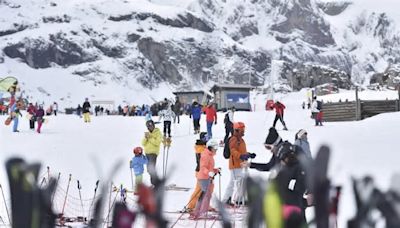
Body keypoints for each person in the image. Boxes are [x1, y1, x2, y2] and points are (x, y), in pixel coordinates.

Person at [273, 141, 309, 227]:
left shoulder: (297, 168)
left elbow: (299, 189)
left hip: (294, 209)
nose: (281, 162)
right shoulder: (287, 168)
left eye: (282, 159)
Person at [191, 139, 220, 218]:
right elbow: (203, 167)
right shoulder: (205, 155)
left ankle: (199, 211)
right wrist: (209, 172)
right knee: (206, 195)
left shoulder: (209, 155)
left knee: (205, 195)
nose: (216, 150)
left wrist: (215, 170)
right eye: (215, 148)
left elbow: (209, 167)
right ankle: (201, 212)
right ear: (210, 147)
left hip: (207, 177)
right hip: (203, 178)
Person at [222, 122, 248, 206]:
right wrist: (241, 156)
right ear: (237, 130)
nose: (243, 131)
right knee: (233, 182)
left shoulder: (241, 139)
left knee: (240, 182)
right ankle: (226, 199)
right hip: (235, 165)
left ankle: (239, 199)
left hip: (241, 164)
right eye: (242, 130)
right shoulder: (234, 139)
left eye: (243, 129)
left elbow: (242, 151)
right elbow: (233, 151)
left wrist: (248, 154)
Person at [184, 132, 208, 213]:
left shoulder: (204, 147)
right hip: (200, 171)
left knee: (204, 190)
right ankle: (191, 206)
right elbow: (201, 161)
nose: (207, 138)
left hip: (203, 171)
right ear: (202, 138)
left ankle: (203, 204)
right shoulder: (200, 148)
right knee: (199, 189)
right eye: (205, 137)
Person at [141, 120, 163, 186]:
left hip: (153, 153)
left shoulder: (158, 132)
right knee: (149, 169)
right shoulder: (148, 133)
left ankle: (155, 183)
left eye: (150, 126)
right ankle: (155, 182)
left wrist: (150, 138)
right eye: (148, 127)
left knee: (151, 168)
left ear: (153, 126)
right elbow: (143, 143)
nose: (149, 128)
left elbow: (157, 143)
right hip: (147, 153)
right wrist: (145, 138)